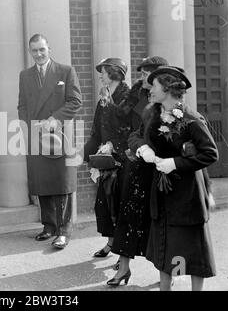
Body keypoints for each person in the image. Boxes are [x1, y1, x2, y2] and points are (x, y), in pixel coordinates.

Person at [131, 66, 218, 291]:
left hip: (187, 196)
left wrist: (175, 163)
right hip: (162, 193)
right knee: (166, 245)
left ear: (168, 88)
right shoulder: (154, 114)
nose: (150, 89)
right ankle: (166, 289)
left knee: (190, 249)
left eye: (155, 85)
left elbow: (210, 153)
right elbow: (139, 136)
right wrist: (144, 149)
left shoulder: (191, 119)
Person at [108, 56, 168, 286]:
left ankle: (166, 276)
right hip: (137, 163)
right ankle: (123, 268)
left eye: (146, 74)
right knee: (128, 213)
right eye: (142, 74)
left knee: (159, 221)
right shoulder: (138, 95)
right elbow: (132, 128)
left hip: (159, 169)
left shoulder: (166, 104)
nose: (142, 78)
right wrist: (135, 147)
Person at [18, 34, 82, 249]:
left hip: (59, 135)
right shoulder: (25, 75)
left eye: (42, 49)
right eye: (34, 50)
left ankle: (64, 230)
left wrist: (54, 119)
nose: (38, 54)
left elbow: (75, 102)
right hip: (37, 135)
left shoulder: (65, 71)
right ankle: (49, 226)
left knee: (61, 181)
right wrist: (30, 124)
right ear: (30, 52)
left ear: (49, 48)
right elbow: (22, 105)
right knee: (41, 179)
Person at [83, 58, 141, 262]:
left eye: (104, 72)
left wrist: (115, 146)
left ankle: (121, 253)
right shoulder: (104, 96)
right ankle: (110, 242)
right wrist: (92, 151)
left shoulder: (129, 96)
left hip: (124, 157)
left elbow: (133, 128)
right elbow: (97, 126)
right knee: (105, 203)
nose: (100, 75)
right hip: (106, 157)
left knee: (120, 203)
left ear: (114, 74)